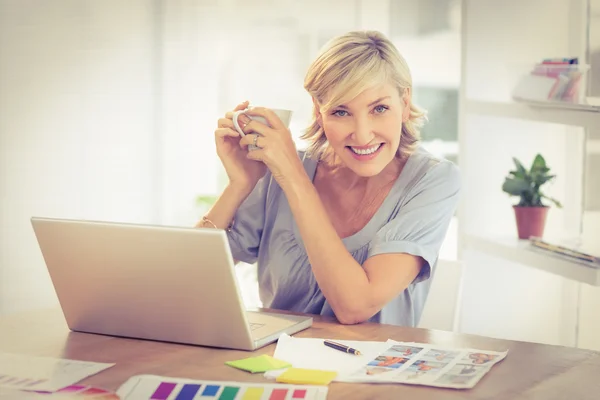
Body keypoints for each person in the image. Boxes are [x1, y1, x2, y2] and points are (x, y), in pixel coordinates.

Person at [197, 30, 460, 326]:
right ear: (318, 112)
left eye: (380, 108)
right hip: (276, 364)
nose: (362, 135)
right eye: (341, 111)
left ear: (405, 101)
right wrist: (239, 185)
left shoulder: (433, 180)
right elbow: (191, 278)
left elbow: (355, 306)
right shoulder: (284, 170)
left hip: (370, 367)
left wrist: (293, 177)